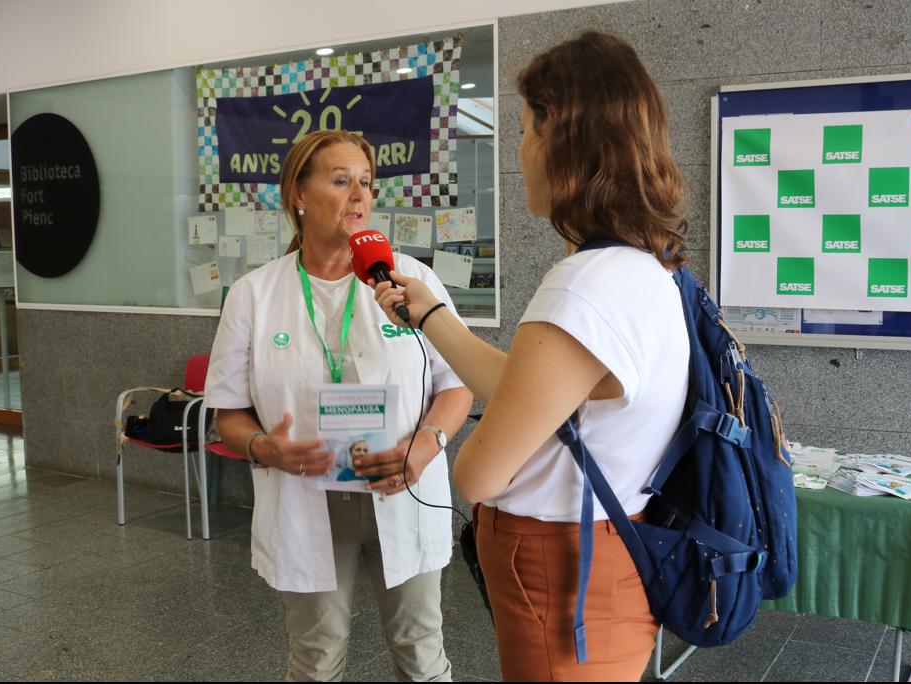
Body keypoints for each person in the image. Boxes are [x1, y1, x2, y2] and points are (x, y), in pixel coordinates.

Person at [371, 31, 690, 681]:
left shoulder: (585, 287)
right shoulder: (645, 267)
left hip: (563, 569)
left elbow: (479, 476)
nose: (518, 153)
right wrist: (431, 313)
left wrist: (451, 443)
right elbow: (534, 394)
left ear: (563, 141)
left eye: (522, 130)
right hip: (615, 550)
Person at [205, 129, 473, 682]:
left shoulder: (410, 279)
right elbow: (227, 413)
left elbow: (457, 385)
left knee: (420, 648)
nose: (360, 196)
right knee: (316, 655)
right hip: (307, 494)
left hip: (404, 485)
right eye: (341, 180)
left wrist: (424, 448)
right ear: (298, 195)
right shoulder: (253, 294)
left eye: (367, 183)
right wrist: (262, 447)